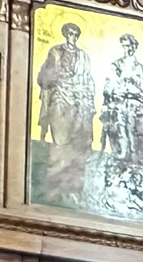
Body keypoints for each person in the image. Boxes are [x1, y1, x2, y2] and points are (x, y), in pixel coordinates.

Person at [99, 33, 143, 219]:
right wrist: (124, 93)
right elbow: (109, 90)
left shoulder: (141, 70)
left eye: (130, 45)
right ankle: (113, 194)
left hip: (138, 116)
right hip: (120, 115)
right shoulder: (116, 66)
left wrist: (142, 97)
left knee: (138, 155)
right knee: (121, 152)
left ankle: (133, 194)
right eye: (125, 45)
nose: (128, 49)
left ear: (135, 47)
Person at [35, 21, 95, 202]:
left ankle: (72, 189)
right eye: (70, 33)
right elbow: (44, 77)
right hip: (60, 99)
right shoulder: (55, 52)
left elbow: (89, 81)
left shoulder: (83, 56)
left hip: (78, 103)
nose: (73, 37)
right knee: (59, 142)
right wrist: (55, 75)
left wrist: (88, 102)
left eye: (75, 34)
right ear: (65, 34)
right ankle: (54, 188)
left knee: (76, 146)